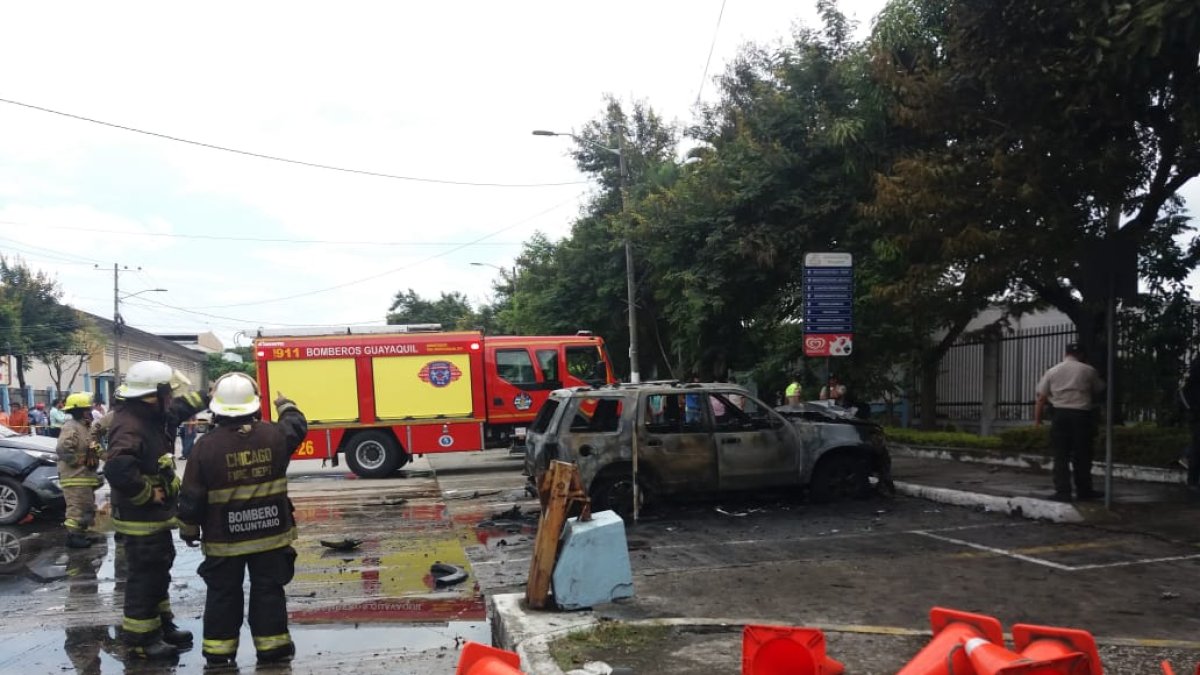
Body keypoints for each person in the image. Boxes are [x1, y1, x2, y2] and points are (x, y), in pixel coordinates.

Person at [179, 372, 308, 669]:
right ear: (255, 406)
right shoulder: (275, 436)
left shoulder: (204, 447)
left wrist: (188, 529)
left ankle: (219, 654)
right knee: (268, 591)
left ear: (217, 409)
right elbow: (297, 425)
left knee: (223, 595)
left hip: (224, 541)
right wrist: (285, 404)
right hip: (270, 535)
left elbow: (191, 497)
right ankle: (273, 650)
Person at [105, 360, 208, 660]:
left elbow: (180, 409)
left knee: (159, 569)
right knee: (145, 577)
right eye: (167, 393)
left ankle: (162, 626)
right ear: (154, 395)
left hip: (154, 519)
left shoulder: (150, 414)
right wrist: (149, 493)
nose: (171, 399)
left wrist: (209, 396)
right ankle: (141, 640)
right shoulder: (131, 425)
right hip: (140, 519)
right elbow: (118, 468)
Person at [1034, 342, 1105, 502]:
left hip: (1060, 415)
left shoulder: (1052, 371)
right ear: (1081, 355)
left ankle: (1063, 491)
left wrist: (1037, 421)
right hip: (1082, 415)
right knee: (1083, 454)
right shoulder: (1088, 370)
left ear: (1065, 354)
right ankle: (1084, 490)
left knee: (1061, 455)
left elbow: (1041, 398)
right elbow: (1099, 389)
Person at [57, 393, 104, 548]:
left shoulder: (85, 427)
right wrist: (77, 461)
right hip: (74, 477)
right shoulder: (71, 427)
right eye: (88, 409)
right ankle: (74, 537)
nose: (91, 412)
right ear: (82, 411)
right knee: (77, 509)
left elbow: (92, 448)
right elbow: (63, 449)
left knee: (86, 507)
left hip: (85, 476)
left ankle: (81, 534)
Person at [1178, 358, 1200, 495]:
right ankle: (1192, 481)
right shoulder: (1197, 366)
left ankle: (1186, 454)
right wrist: (1192, 409)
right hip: (1197, 413)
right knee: (1198, 445)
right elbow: (1183, 389)